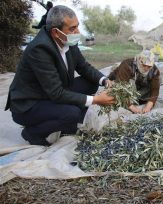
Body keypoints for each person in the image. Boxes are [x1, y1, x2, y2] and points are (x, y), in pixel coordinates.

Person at [5, 5, 115, 146]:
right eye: (72, 28)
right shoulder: (39, 49)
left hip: (49, 93)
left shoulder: (67, 40)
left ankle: (64, 121)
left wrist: (105, 80)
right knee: (72, 113)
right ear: (56, 32)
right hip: (29, 104)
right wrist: (96, 100)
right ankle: (32, 133)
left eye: (77, 26)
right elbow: (57, 93)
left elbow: (84, 67)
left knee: (91, 82)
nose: (77, 32)